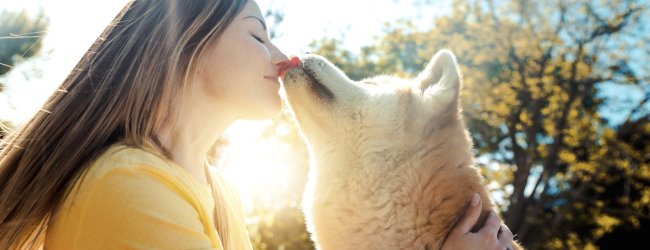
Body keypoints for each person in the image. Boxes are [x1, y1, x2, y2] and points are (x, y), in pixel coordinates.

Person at [0, 0, 515, 249]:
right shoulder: (128, 186)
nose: (281, 55)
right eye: (257, 35)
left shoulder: (219, 194)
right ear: (183, 43)